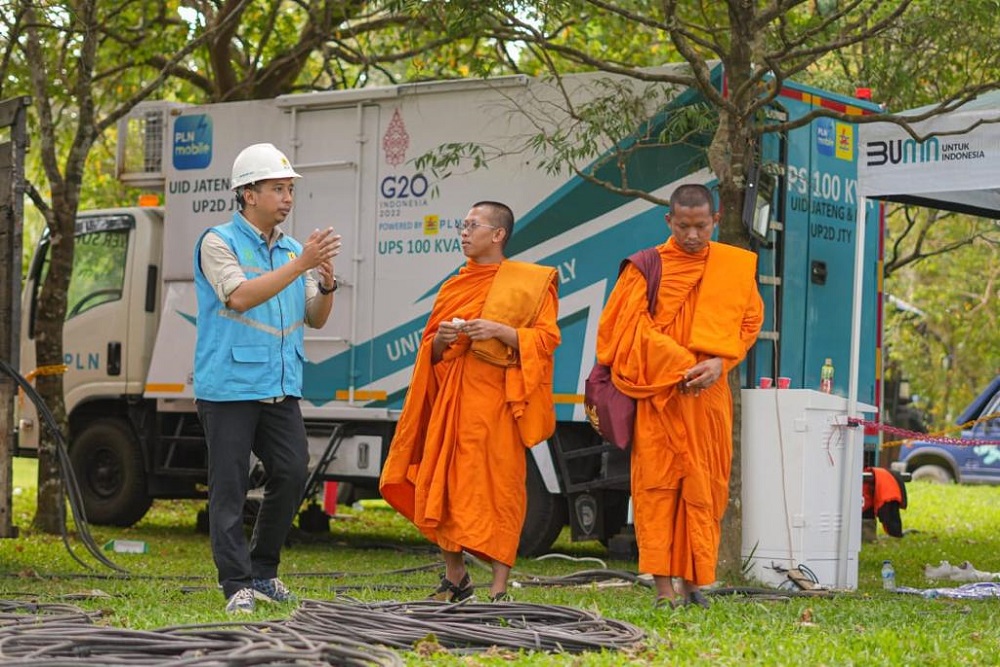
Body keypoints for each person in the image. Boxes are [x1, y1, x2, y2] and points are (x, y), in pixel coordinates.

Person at [380, 201, 561, 602]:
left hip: (499, 403)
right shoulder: (454, 285)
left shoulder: (530, 283)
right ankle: (455, 576)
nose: (463, 232)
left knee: (501, 489)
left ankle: (498, 587)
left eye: (472, 226)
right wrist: (441, 344)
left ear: (497, 235)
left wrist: (500, 330)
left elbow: (546, 341)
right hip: (455, 401)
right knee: (442, 483)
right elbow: (433, 351)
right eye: (461, 225)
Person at [595, 183, 763, 609]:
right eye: (684, 226)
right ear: (669, 221)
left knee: (705, 488)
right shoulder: (647, 266)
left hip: (708, 400)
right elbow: (623, 332)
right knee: (658, 490)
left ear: (716, 221)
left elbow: (748, 323)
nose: (692, 235)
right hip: (661, 399)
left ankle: (694, 581)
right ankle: (664, 587)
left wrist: (719, 365)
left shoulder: (732, 267)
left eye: (701, 226)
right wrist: (683, 364)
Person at [193, 142, 342, 613]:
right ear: (248, 193)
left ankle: (263, 571)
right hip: (230, 386)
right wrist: (301, 266)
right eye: (277, 188)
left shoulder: (295, 250)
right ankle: (236, 583)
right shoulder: (217, 242)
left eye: (289, 189)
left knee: (293, 472)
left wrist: (326, 282)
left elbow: (315, 319)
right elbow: (237, 297)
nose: (287, 197)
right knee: (230, 486)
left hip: (280, 385)